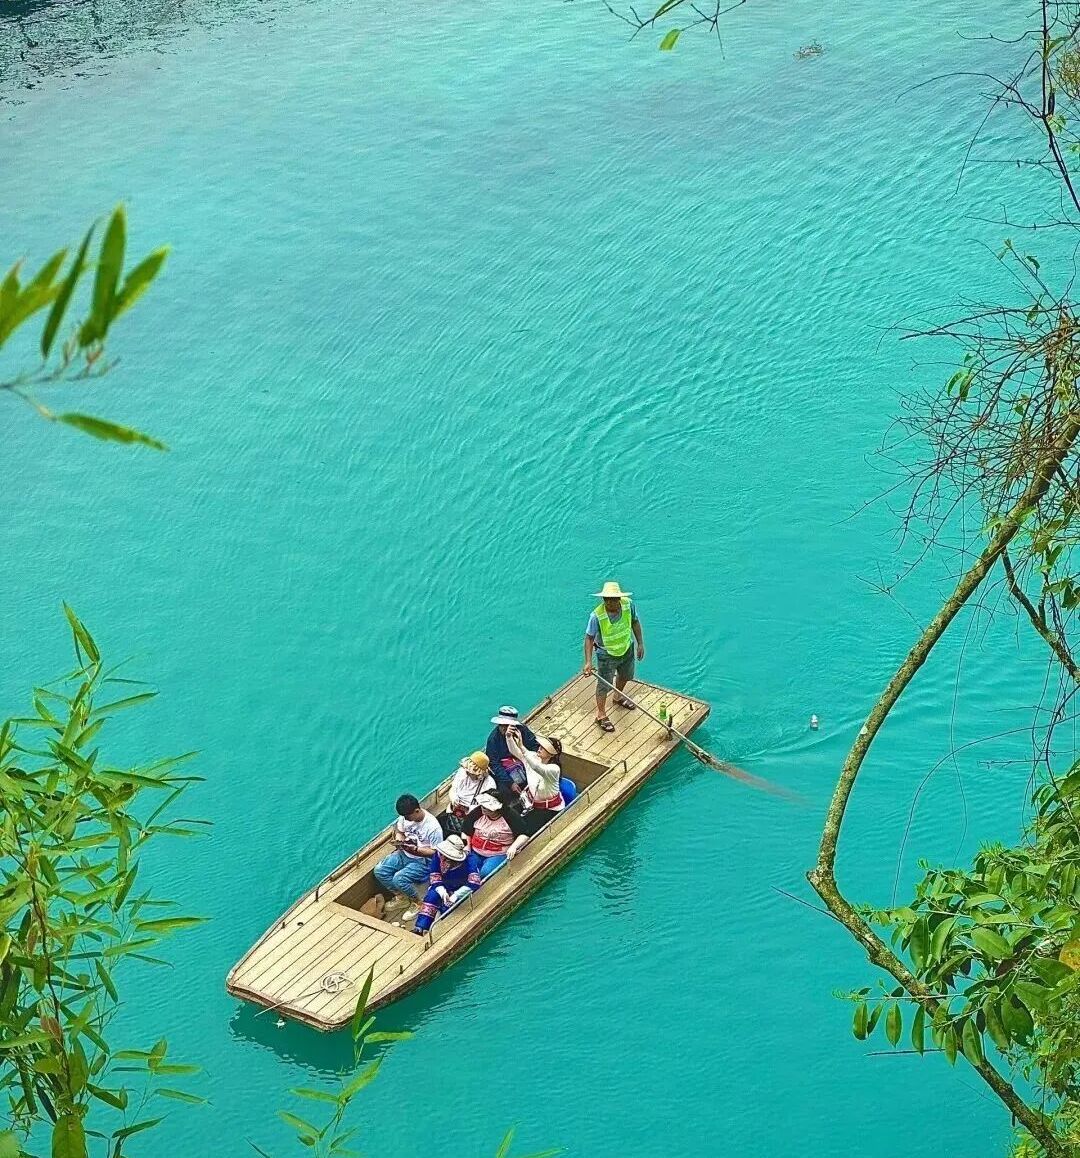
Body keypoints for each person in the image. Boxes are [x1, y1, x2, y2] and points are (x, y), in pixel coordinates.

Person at [582, 581, 644, 733]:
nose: (609, 602)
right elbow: (589, 638)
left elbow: (635, 622)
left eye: (613, 599)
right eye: (606, 599)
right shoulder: (597, 616)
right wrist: (588, 662)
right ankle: (601, 715)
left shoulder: (628, 605)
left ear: (619, 598)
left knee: (626, 675)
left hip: (626, 648)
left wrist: (640, 643)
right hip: (606, 654)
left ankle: (617, 697)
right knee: (604, 685)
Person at [373, 794, 444, 914]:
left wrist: (415, 849)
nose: (405, 819)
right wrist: (399, 839)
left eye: (407, 817)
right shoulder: (405, 818)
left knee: (399, 879)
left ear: (416, 811)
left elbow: (435, 853)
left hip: (424, 860)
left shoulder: (433, 828)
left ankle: (418, 902)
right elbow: (399, 830)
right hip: (405, 853)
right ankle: (401, 897)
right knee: (380, 870)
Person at [413, 835, 480, 934]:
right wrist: (442, 892)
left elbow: (474, 883)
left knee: (447, 907)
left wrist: (455, 896)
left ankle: (444, 930)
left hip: (460, 889)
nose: (443, 858)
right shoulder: (438, 855)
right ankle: (420, 927)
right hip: (442, 886)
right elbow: (435, 875)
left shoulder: (470, 859)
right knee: (431, 897)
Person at [505, 727, 565, 836]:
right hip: (530, 802)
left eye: (544, 748)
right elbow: (515, 751)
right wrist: (509, 737)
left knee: (526, 831)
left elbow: (537, 767)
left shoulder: (554, 769)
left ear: (552, 754)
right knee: (507, 814)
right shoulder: (533, 757)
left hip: (548, 809)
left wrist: (522, 747)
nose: (540, 749)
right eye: (540, 746)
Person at [462, 791, 530, 879]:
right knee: (465, 869)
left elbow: (524, 834)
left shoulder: (510, 815)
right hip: (475, 851)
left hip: (498, 854)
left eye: (486, 807)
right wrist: (467, 846)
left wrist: (513, 847)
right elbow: (465, 830)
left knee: (484, 873)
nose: (483, 808)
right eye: (482, 806)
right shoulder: (477, 812)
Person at [485, 705, 538, 799]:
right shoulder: (493, 740)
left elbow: (534, 746)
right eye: (501, 725)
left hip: (525, 763)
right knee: (504, 792)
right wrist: (510, 783)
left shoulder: (523, 731)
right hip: (506, 771)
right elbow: (495, 764)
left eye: (506, 725)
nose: (503, 728)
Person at [439, 751, 496, 836]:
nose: (467, 772)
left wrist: (468, 809)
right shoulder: (462, 772)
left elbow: (486, 808)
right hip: (453, 811)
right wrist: (454, 798)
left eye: (470, 771)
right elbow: (453, 788)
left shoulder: (489, 784)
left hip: (473, 817)